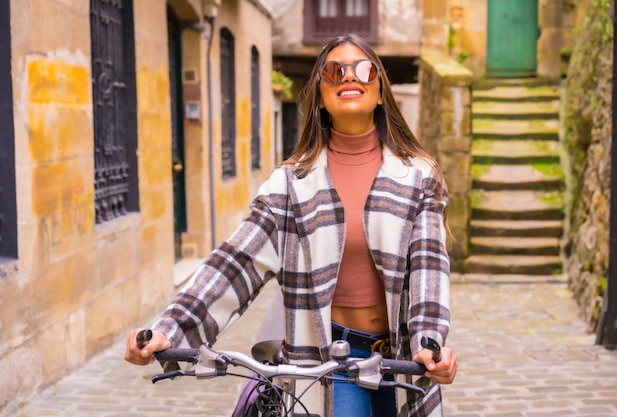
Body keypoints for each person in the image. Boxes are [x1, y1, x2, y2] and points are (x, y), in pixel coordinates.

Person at [125, 33, 457, 417]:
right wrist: (171, 328)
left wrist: (430, 342)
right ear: (319, 94)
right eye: (334, 71)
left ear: (380, 91)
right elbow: (236, 261)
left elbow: (430, 268)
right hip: (328, 358)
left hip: (403, 360)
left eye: (364, 70)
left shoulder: (418, 175)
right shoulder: (290, 184)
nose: (350, 77)